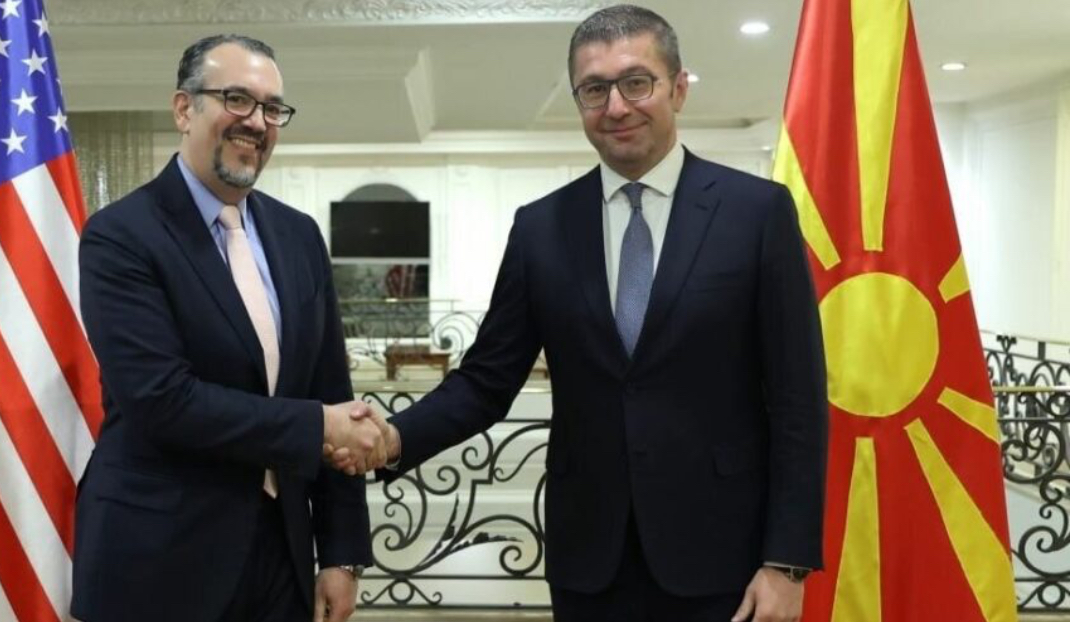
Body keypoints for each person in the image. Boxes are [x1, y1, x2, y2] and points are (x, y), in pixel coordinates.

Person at [340, 5, 828, 622]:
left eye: (636, 82)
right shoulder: (540, 227)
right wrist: (393, 438)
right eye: (594, 89)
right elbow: (487, 381)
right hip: (590, 558)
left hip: (725, 554)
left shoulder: (757, 213)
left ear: (678, 88)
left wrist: (787, 561)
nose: (616, 106)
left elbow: (797, 399)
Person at [72, 34, 385, 622]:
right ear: (184, 109)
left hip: (281, 557)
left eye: (273, 108)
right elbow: (161, 399)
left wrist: (342, 553)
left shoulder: (299, 236)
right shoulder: (121, 235)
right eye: (237, 99)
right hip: (159, 560)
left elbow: (331, 389)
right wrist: (317, 425)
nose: (257, 122)